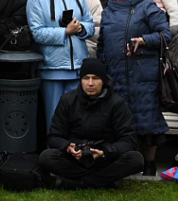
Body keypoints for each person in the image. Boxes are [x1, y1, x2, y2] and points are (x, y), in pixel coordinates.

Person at [99, 0, 171, 176]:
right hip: (116, 76)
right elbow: (103, 44)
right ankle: (127, 164)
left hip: (143, 76)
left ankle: (149, 165)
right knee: (120, 121)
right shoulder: (108, 11)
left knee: (147, 120)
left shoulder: (147, 7)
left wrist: (145, 40)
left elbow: (165, 34)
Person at [39, 58, 144, 189]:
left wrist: (105, 151)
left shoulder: (117, 103)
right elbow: (54, 136)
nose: (90, 83)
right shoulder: (68, 100)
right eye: (86, 78)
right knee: (46, 157)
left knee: (136, 159)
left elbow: (129, 140)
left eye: (95, 78)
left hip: (105, 158)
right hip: (76, 158)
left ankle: (77, 183)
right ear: (81, 80)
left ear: (103, 80)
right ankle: (103, 181)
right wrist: (69, 148)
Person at [27, 0, 95, 130]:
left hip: (78, 66)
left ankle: (76, 153)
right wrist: (65, 32)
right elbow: (37, 33)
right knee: (55, 118)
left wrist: (81, 28)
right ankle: (55, 154)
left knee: (77, 117)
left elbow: (90, 24)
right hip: (52, 68)